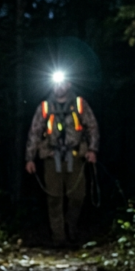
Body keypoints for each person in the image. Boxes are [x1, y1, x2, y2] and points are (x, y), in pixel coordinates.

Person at [25, 73, 99, 247]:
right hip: (51, 157)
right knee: (54, 198)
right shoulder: (44, 107)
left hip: (75, 157)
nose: (59, 87)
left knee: (78, 196)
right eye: (56, 83)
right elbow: (34, 132)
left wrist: (92, 149)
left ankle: (70, 226)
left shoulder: (80, 104)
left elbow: (92, 127)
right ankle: (59, 237)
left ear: (69, 84)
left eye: (63, 83)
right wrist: (30, 158)